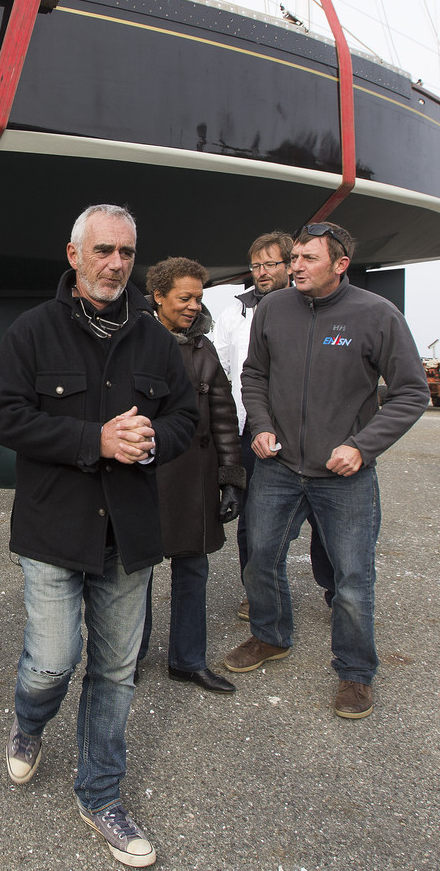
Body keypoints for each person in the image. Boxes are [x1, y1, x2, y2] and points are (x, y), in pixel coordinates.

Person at [0, 205, 197, 868]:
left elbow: (186, 417)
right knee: (52, 661)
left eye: (126, 253)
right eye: (103, 250)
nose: (115, 264)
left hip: (128, 534)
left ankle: (100, 794)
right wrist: (94, 440)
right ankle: (29, 723)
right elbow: (5, 418)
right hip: (53, 528)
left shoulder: (155, 339)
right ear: (74, 254)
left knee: (114, 672)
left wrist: (153, 439)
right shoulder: (32, 331)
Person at [222, 222, 429, 721]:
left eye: (307, 258)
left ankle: (355, 671)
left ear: (340, 264)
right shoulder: (273, 309)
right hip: (278, 465)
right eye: (293, 257)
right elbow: (254, 374)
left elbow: (411, 393)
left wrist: (362, 447)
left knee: (352, 578)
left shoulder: (376, 314)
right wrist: (261, 426)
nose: (295, 266)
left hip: (344, 475)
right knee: (260, 558)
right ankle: (270, 636)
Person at [136, 256, 245, 694]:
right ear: (158, 297)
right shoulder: (134, 340)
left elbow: (223, 415)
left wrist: (230, 477)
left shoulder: (204, 348)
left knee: (193, 569)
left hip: (196, 477)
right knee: (136, 573)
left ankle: (188, 660)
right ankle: (127, 659)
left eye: (199, 298)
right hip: (145, 473)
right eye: (185, 298)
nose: (194, 306)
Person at [214, 231, 335, 621]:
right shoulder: (235, 314)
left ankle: (336, 591)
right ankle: (257, 594)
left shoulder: (314, 308)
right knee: (253, 521)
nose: (262, 272)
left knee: (324, 519)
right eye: (255, 266)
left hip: (307, 434)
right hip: (251, 432)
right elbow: (220, 371)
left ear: (290, 265)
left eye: (270, 264)